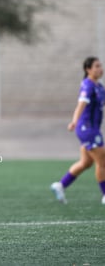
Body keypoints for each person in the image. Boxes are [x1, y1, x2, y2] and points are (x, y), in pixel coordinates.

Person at [51, 56, 105, 205]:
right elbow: (81, 105)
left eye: (101, 66)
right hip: (87, 129)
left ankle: (60, 185)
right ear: (88, 70)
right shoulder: (88, 85)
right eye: (97, 66)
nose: (100, 69)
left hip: (92, 129)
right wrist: (74, 122)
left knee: (86, 162)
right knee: (102, 161)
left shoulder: (99, 87)